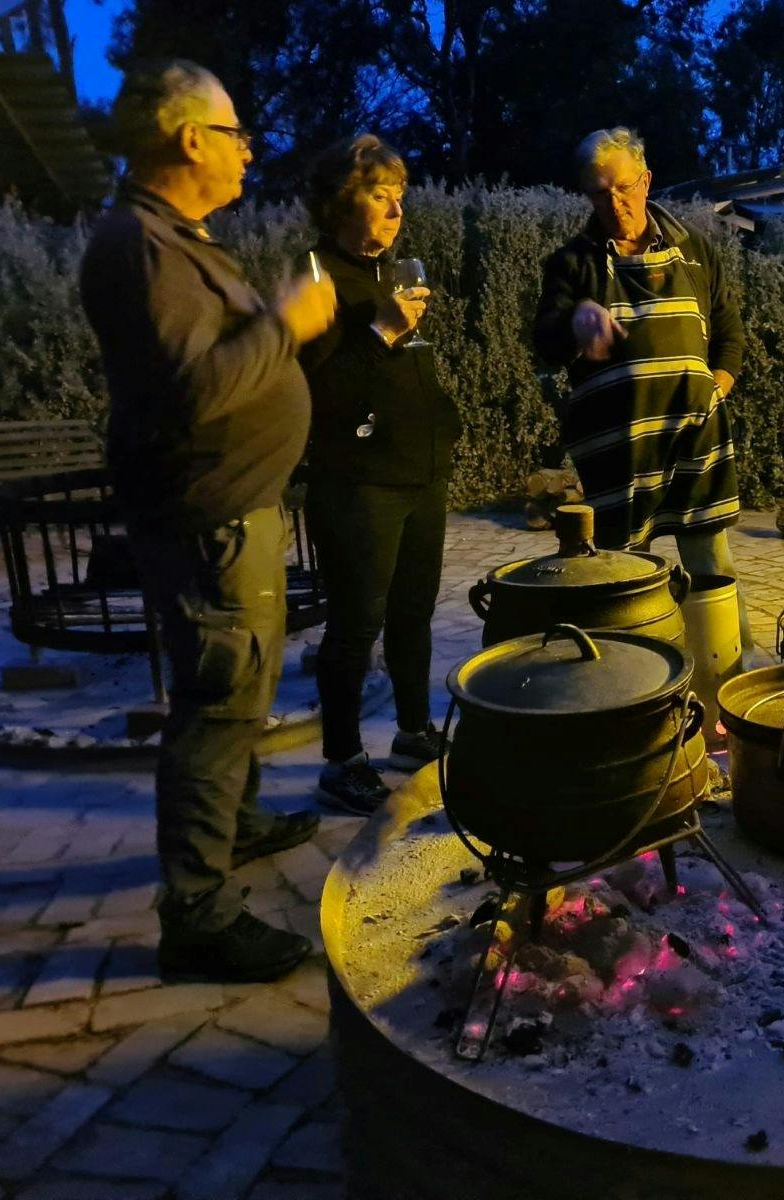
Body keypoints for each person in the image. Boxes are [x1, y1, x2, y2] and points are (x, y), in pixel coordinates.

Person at [80, 60, 337, 981]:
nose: (248, 148)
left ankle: (235, 821)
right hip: (209, 519)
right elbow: (194, 396)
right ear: (191, 140)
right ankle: (196, 913)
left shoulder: (175, 240)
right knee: (218, 704)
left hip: (230, 512)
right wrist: (289, 323)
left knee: (241, 687)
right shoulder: (141, 248)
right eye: (234, 132)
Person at [533, 127, 759, 659]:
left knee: (712, 567)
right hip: (619, 448)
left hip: (694, 439)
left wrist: (717, 387)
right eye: (598, 193)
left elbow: (729, 333)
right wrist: (575, 322)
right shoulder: (572, 262)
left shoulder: (695, 248)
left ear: (647, 179)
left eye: (624, 188)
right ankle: (637, 679)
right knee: (625, 575)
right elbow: (545, 341)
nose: (614, 203)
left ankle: (731, 678)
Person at [299, 135, 459, 815]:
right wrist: (380, 331)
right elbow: (315, 388)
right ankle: (341, 759)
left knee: (413, 611)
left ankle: (413, 732)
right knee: (356, 623)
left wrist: (445, 423)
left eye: (400, 192)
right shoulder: (313, 277)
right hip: (357, 480)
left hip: (419, 474)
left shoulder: (390, 270)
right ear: (342, 200)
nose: (396, 206)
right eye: (377, 192)